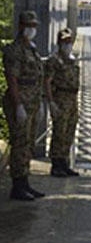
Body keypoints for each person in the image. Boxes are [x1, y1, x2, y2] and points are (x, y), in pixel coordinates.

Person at [2, 10, 46, 201]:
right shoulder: (15, 50)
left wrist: (41, 102)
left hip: (33, 101)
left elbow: (38, 77)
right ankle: (17, 186)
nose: (32, 29)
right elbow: (12, 79)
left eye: (34, 26)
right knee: (20, 142)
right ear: (20, 26)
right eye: (29, 26)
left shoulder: (32, 49)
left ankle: (25, 182)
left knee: (28, 143)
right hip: (20, 101)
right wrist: (18, 104)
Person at [44, 27, 81, 177]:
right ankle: (56, 164)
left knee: (69, 131)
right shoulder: (54, 60)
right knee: (59, 131)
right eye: (65, 41)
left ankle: (64, 162)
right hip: (60, 98)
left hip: (72, 99)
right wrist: (51, 101)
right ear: (59, 43)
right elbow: (47, 81)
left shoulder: (72, 60)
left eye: (69, 41)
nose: (68, 44)